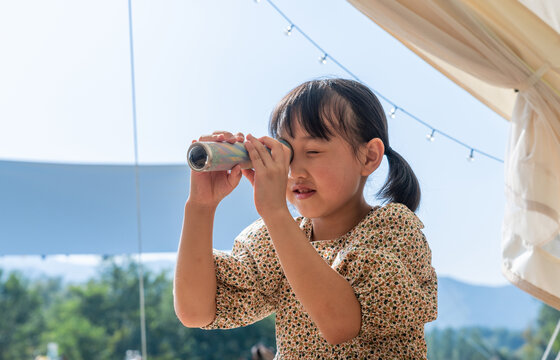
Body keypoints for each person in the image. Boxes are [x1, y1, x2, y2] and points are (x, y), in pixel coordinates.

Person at [174, 78, 438, 359]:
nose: (295, 171)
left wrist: (276, 213)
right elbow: (196, 312)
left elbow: (341, 324)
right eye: (286, 155)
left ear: (369, 157)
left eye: (313, 152)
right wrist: (201, 207)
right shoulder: (274, 238)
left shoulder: (394, 229)